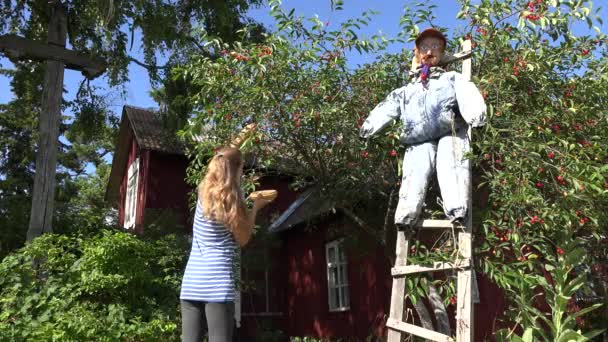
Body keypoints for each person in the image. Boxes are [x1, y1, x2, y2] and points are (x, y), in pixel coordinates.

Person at [360, 28, 486, 229]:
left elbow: (467, 92)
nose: (429, 51)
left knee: (452, 163)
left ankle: (457, 210)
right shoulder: (408, 89)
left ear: (442, 53)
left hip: (448, 131)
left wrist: (475, 115)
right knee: (414, 172)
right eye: (425, 47)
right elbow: (388, 105)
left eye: (435, 47)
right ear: (417, 53)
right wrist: (369, 126)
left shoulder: (450, 78)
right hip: (418, 138)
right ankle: (406, 216)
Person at [180, 146, 275, 342]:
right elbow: (243, 238)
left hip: (191, 285)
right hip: (217, 285)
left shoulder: (203, 191)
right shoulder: (233, 202)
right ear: (237, 170)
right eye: (242, 168)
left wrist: (240, 139)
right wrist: (256, 207)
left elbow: (221, 158)